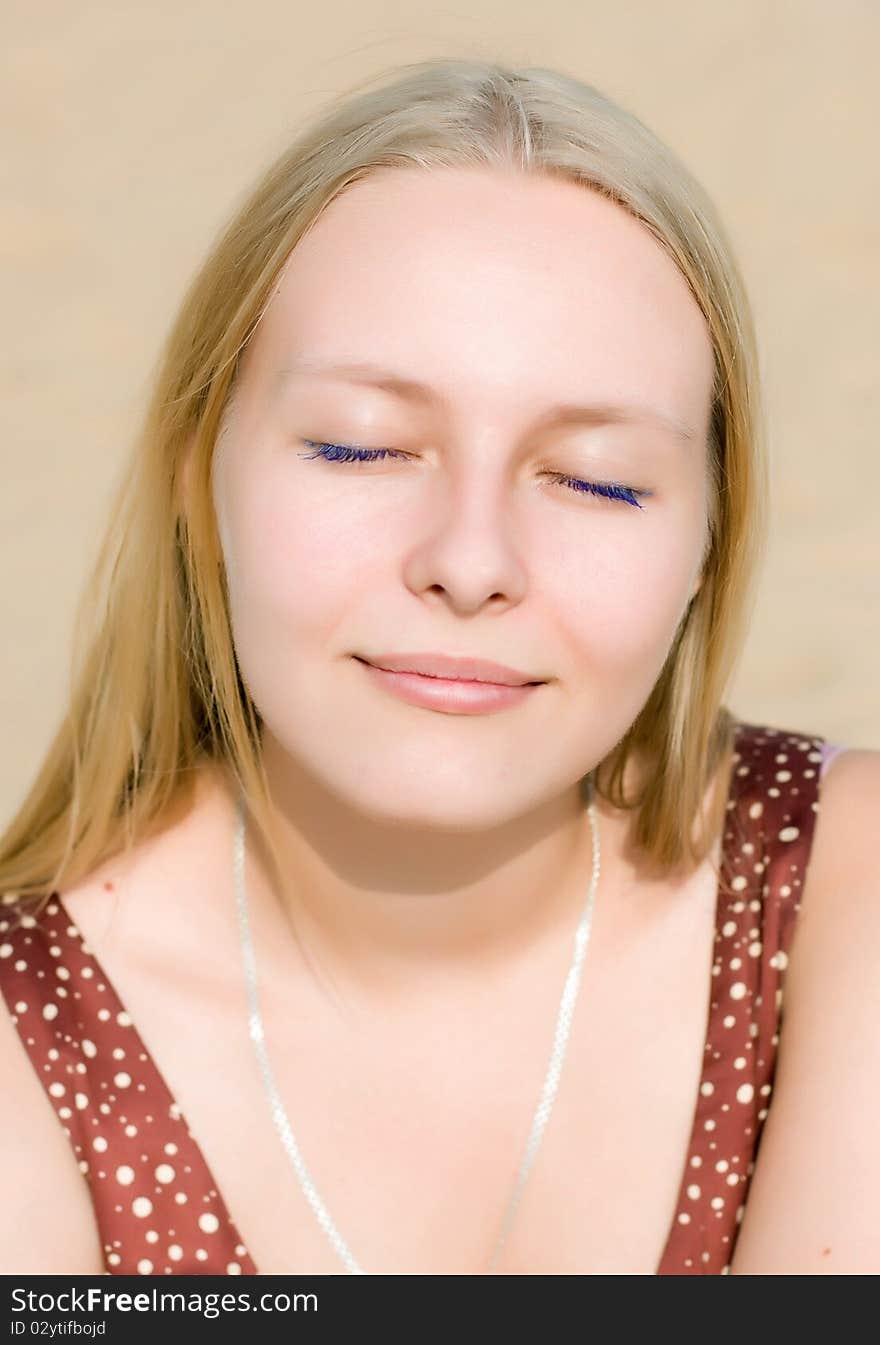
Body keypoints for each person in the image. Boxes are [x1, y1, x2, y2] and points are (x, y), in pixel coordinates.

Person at [1, 58, 877, 1278]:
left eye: (597, 478)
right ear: (198, 476)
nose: (470, 563)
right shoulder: (35, 1034)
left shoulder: (842, 888)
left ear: (706, 543)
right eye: (364, 449)